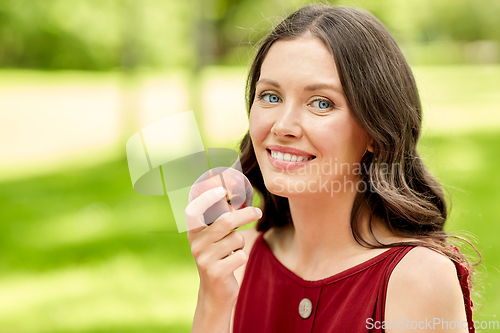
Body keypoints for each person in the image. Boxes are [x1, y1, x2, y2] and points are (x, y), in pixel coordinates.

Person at [185, 4, 477, 333]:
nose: (283, 126)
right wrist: (213, 299)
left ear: (374, 131)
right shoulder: (239, 257)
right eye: (270, 96)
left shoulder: (417, 278)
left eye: (321, 102)